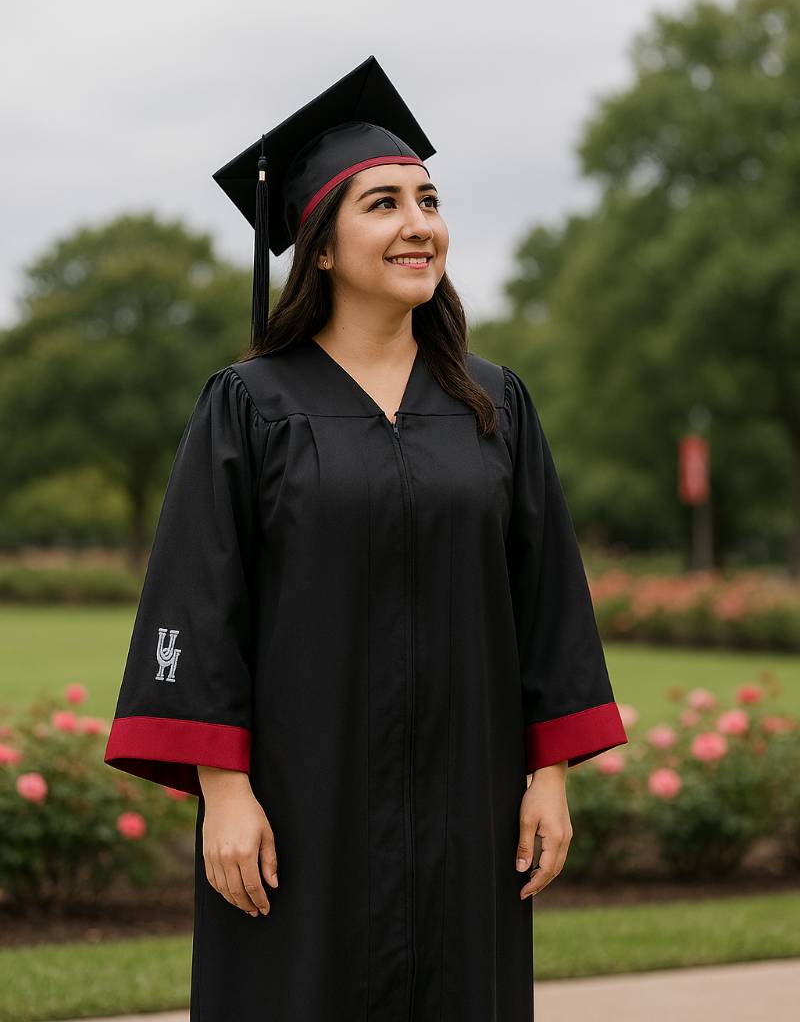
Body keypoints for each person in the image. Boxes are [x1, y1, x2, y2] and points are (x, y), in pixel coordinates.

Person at [104, 54, 628, 1021]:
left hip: (469, 801)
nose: (418, 224)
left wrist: (547, 778)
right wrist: (226, 793)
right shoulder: (251, 405)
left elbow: (547, 598)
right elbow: (198, 600)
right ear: (321, 249)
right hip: (302, 802)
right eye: (383, 205)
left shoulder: (494, 406)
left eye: (428, 201)